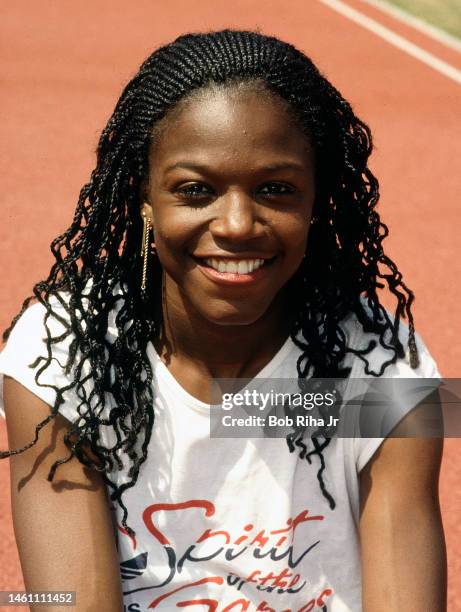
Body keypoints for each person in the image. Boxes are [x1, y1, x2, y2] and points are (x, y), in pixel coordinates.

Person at [0, 29, 446, 612]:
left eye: (276, 189)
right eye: (196, 189)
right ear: (143, 197)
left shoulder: (387, 371)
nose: (237, 223)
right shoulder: (62, 358)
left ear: (318, 199)